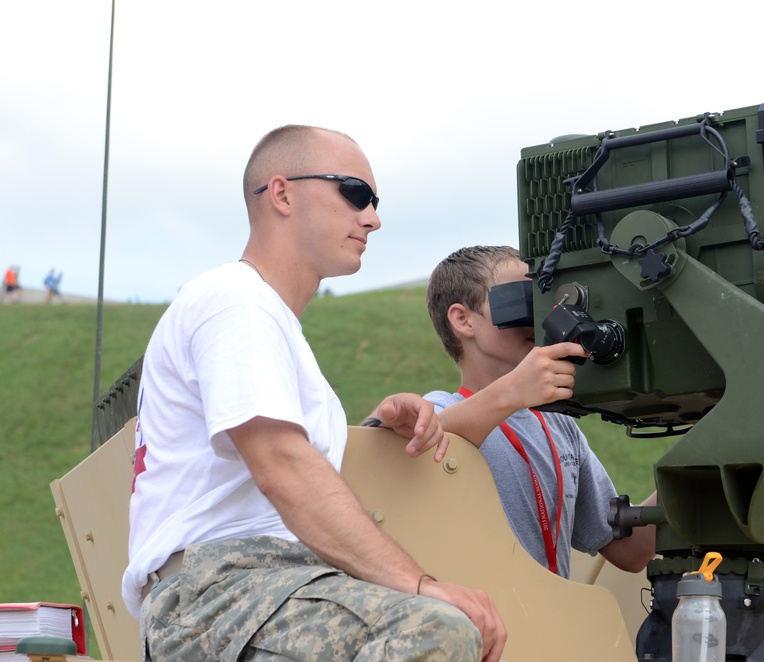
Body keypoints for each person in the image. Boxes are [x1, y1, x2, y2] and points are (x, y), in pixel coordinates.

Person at [123, 126, 505, 661]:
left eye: (374, 202)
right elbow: (281, 465)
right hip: (223, 593)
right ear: (281, 194)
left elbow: (271, 469)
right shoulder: (236, 300)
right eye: (354, 192)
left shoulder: (270, 327)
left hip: (270, 590)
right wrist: (420, 585)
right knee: (435, 629)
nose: (372, 217)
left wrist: (371, 433)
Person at [424, 246, 657, 578]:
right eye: (522, 298)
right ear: (463, 320)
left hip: (548, 624)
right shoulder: (441, 408)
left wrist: (699, 464)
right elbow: (419, 442)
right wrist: (511, 393)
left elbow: (628, 550)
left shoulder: (558, 426)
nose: (540, 316)